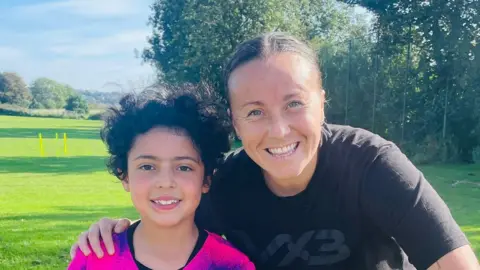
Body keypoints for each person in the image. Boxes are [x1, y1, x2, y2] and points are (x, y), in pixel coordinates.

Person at [71, 32, 479, 270]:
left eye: (295, 103)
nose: (278, 129)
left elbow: (456, 265)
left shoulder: (371, 163)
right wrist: (113, 232)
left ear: (322, 102)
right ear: (235, 121)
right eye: (255, 111)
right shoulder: (225, 183)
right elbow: (167, 211)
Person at [67, 87, 255, 269]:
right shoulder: (94, 258)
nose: (165, 182)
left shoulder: (232, 265)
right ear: (124, 175)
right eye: (147, 166)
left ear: (206, 179)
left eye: (183, 167)